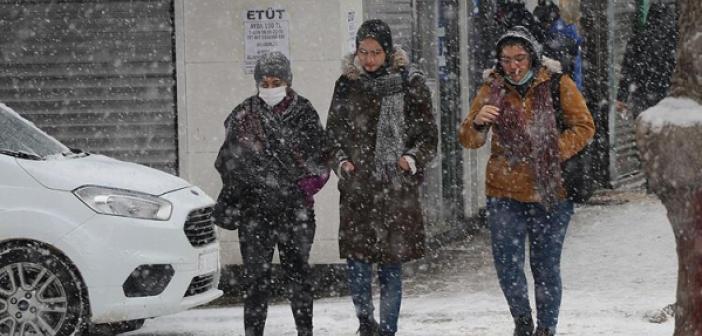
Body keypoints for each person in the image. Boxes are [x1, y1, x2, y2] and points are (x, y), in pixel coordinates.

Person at [458, 26, 594, 336]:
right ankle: (522, 321)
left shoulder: (558, 84)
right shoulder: (490, 89)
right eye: (506, 60)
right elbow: (468, 139)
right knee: (507, 265)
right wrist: (478, 122)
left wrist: (553, 149)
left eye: (519, 58)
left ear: (532, 57)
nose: (513, 66)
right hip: (504, 190)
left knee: (545, 267)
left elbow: (585, 126)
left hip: (551, 191)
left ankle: (546, 328)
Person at [325, 19, 438, 336]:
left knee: (391, 265)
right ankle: (365, 322)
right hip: (358, 187)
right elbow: (331, 136)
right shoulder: (346, 84)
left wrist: (409, 160)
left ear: (388, 52)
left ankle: (388, 329)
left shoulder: (410, 82)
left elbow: (428, 137)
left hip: (395, 189)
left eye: (376, 52)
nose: (369, 59)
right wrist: (343, 163)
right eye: (363, 52)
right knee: (357, 264)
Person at [213, 51, 329, 336]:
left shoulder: (304, 111)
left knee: (299, 277)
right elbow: (227, 161)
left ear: (287, 81)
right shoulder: (244, 114)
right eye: (263, 82)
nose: (269, 87)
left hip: (295, 209)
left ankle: (305, 331)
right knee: (255, 282)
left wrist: (303, 187)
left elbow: (321, 157)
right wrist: (248, 186)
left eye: (276, 81)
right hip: (256, 211)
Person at [615, 1, 677, 119]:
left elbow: (628, 66)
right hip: (668, 94)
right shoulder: (675, 36)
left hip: (643, 92)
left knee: (644, 130)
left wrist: (622, 95)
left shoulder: (641, 34)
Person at [533, 0, 584, 91]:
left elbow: (573, 61)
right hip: (557, 85)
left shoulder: (563, 32)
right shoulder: (564, 30)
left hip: (561, 84)